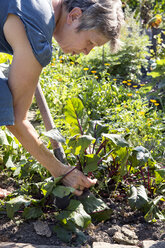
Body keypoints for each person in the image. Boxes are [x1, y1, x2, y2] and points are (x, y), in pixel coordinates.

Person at [0, 0, 124, 197]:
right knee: (3, 98)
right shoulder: (38, 30)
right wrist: (61, 170)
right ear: (74, 16)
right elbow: (16, 117)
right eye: (90, 42)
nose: (86, 52)